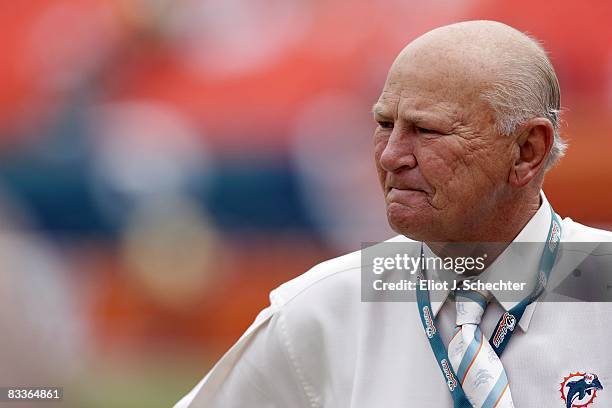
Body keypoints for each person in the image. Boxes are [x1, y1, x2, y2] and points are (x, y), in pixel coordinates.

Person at [175, 20, 611, 407]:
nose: (391, 156)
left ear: (526, 151)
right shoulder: (323, 309)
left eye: (426, 130)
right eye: (385, 125)